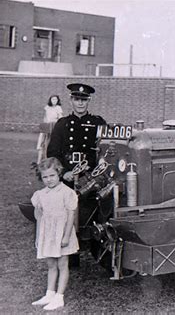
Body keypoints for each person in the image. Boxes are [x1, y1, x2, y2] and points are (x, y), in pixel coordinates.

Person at [31, 157, 79, 310]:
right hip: (48, 234)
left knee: (62, 264)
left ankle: (59, 297)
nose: (49, 179)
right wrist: (39, 236)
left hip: (62, 233)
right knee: (51, 264)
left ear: (59, 173)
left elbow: (71, 216)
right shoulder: (40, 194)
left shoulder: (67, 193)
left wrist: (65, 236)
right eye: (45, 177)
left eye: (52, 175)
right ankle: (49, 293)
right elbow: (39, 216)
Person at [47, 83, 106, 185]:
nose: (80, 103)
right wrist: (64, 172)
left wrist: (93, 170)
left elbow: (105, 150)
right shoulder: (62, 124)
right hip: (67, 175)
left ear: (89, 101)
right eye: (76, 99)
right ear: (71, 101)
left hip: (91, 176)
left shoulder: (98, 123)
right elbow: (53, 152)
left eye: (84, 100)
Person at [36, 95, 63, 164]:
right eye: (53, 99)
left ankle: (52, 159)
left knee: (51, 142)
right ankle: (39, 160)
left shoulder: (58, 108)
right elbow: (45, 117)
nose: (54, 101)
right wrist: (44, 125)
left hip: (53, 126)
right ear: (50, 100)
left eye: (55, 99)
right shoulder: (47, 107)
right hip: (46, 126)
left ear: (57, 101)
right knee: (43, 142)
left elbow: (60, 118)